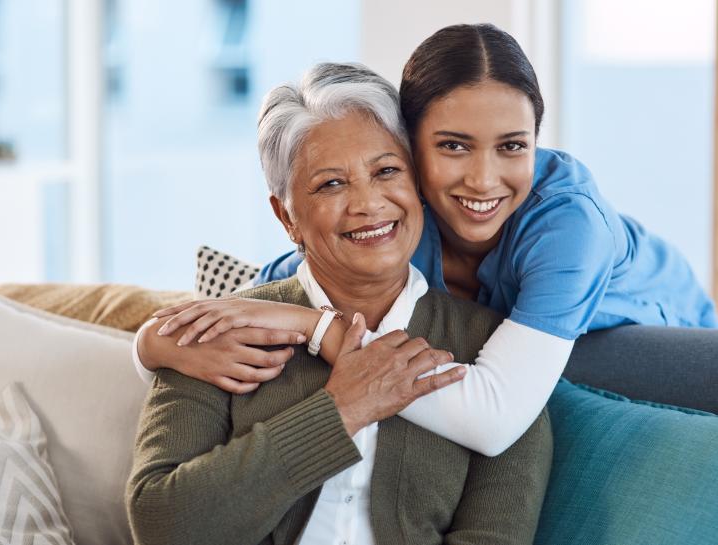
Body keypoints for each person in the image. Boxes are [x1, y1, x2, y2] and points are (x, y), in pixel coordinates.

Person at [143, 23, 715, 457]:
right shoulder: (399, 218)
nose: (484, 180)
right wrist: (149, 344)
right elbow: (261, 295)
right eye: (453, 146)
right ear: (409, 149)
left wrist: (317, 330)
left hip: (647, 335)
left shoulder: (567, 225)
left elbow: (492, 423)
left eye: (513, 146)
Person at [127, 62, 552, 545]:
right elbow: (160, 525)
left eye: (387, 171)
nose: (368, 204)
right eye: (331, 184)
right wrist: (341, 409)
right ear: (286, 216)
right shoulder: (221, 330)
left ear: (418, 183)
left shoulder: (494, 358)